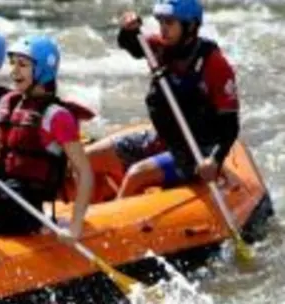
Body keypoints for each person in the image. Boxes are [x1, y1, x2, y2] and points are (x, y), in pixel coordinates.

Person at [88, 0, 239, 198]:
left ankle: (114, 223)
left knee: (136, 175)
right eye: (161, 22)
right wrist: (128, 30)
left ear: (190, 26)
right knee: (89, 157)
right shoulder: (159, 47)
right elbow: (132, 46)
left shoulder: (214, 64)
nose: (163, 29)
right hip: (164, 140)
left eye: (170, 23)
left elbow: (230, 125)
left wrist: (215, 160)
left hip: (196, 150)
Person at [0, 34, 94, 241]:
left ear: (43, 70)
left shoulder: (56, 116)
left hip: (30, 210)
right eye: (13, 64)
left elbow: (85, 172)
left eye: (23, 65)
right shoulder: (13, 105)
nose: (14, 71)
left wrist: (75, 225)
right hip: (7, 195)